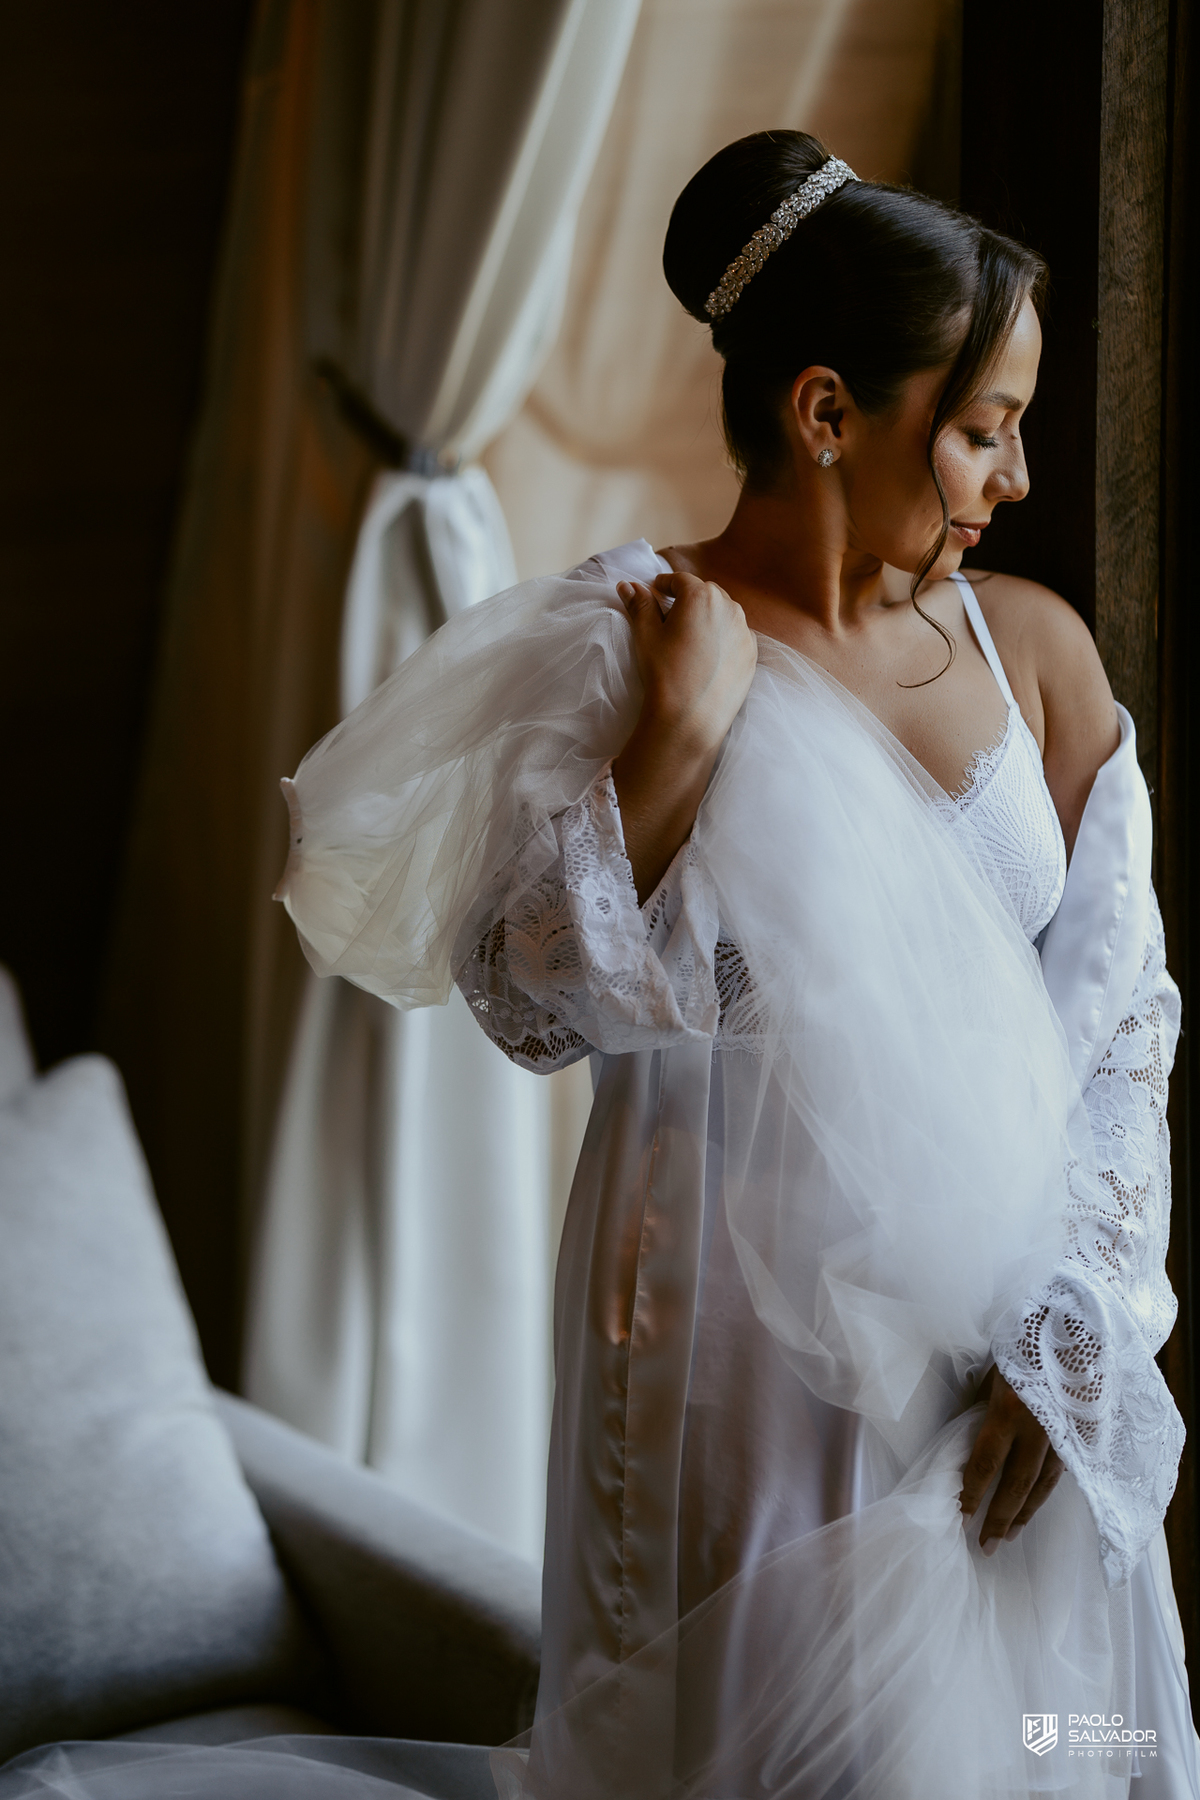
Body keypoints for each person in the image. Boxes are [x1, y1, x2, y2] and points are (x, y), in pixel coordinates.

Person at [5, 132, 1194, 1800]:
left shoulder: (1041, 658)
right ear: (829, 413)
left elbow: (1124, 1024)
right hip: (725, 1351)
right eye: (983, 432)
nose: (1013, 481)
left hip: (1002, 1345)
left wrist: (1072, 1343)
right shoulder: (626, 644)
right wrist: (679, 744)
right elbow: (525, 1002)